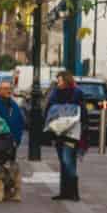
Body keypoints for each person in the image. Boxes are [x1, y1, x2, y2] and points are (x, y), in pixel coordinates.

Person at [41, 71, 88, 201]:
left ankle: (74, 192)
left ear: (66, 81)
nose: (58, 83)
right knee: (63, 162)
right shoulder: (55, 93)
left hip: (71, 132)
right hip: (58, 132)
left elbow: (82, 112)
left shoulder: (76, 93)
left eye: (60, 80)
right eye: (57, 81)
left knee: (68, 160)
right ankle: (65, 192)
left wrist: (84, 128)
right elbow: (48, 109)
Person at [0, 76, 24, 203]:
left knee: (11, 167)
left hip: (12, 142)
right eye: (4, 88)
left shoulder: (14, 104)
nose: (8, 91)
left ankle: (8, 191)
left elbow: (20, 122)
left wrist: (17, 139)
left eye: (9, 88)